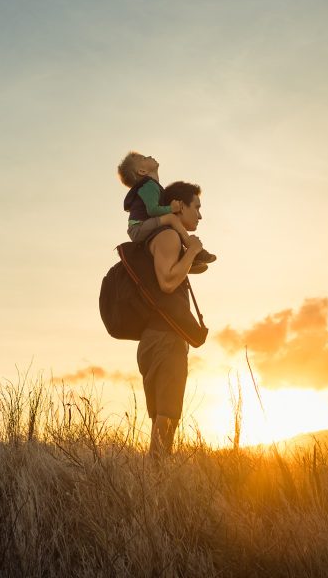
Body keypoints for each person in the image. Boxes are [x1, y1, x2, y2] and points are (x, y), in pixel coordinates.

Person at [136, 180, 207, 461]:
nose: (200, 215)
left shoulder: (168, 237)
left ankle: (154, 483)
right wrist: (191, 250)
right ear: (179, 206)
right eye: (197, 207)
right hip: (165, 340)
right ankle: (157, 484)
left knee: (162, 417)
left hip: (158, 338)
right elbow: (166, 282)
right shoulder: (168, 237)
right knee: (167, 416)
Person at [117, 151, 216, 273]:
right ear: (142, 171)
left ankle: (181, 257)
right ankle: (193, 249)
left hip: (142, 227)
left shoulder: (153, 186)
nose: (148, 156)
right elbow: (152, 210)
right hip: (138, 228)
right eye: (143, 158)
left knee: (171, 223)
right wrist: (171, 209)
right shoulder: (149, 186)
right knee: (171, 219)